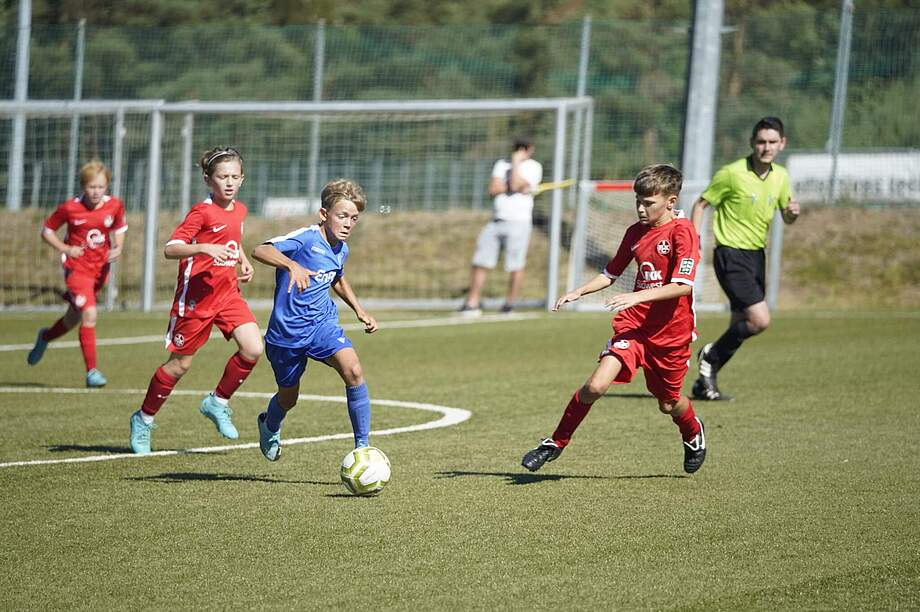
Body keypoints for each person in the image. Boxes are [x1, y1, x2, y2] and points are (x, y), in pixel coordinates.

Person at [521, 164, 706, 475]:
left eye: (648, 203)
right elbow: (611, 273)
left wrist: (637, 296)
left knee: (669, 403)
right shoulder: (634, 232)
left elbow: (682, 286)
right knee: (595, 385)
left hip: (671, 334)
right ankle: (555, 442)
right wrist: (579, 291)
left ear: (671, 202)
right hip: (634, 327)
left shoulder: (682, 232)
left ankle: (692, 432)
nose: (640, 209)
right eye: (638, 201)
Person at [129, 147, 263, 454]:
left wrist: (243, 260)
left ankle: (217, 402)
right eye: (222, 177)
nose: (229, 182)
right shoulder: (201, 212)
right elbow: (171, 248)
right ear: (207, 179)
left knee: (254, 348)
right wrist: (203, 248)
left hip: (228, 295)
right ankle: (143, 419)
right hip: (195, 300)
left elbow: (232, 240)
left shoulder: (240, 210)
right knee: (180, 365)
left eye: (234, 177)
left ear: (242, 179)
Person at [251, 178, 378, 462]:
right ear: (324, 214)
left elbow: (337, 278)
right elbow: (260, 250)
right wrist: (291, 264)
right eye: (342, 216)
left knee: (353, 370)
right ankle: (270, 425)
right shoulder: (306, 239)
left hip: (322, 325)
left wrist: (359, 310)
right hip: (286, 334)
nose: (348, 224)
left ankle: (363, 448)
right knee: (288, 398)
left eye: (354, 218)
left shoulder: (341, 248)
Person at [690, 117, 800, 401]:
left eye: (772, 142)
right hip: (730, 253)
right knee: (759, 319)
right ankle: (710, 355)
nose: (767, 147)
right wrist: (694, 239)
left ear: (782, 143)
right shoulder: (731, 173)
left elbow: (787, 216)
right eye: (761, 142)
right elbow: (700, 204)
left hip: (756, 255)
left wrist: (792, 213)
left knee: (740, 323)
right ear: (752, 143)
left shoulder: (781, 176)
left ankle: (705, 383)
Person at [27, 160, 128, 388]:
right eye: (92, 187)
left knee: (72, 319)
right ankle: (92, 372)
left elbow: (120, 227)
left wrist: (118, 247)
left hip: (100, 270)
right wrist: (66, 249)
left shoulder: (114, 205)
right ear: (83, 186)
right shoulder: (70, 208)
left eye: (101, 187)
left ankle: (45, 337)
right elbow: (47, 231)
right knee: (89, 314)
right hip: (77, 270)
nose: (96, 192)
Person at [459, 137, 542, 315]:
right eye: (517, 148)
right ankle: (472, 303)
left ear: (530, 149)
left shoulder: (534, 167)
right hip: (496, 221)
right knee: (480, 261)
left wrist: (515, 165)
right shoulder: (501, 164)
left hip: (519, 222)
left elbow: (515, 183)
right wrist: (513, 186)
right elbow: (494, 189)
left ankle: (509, 304)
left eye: (523, 148)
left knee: (515, 265)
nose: (519, 151)